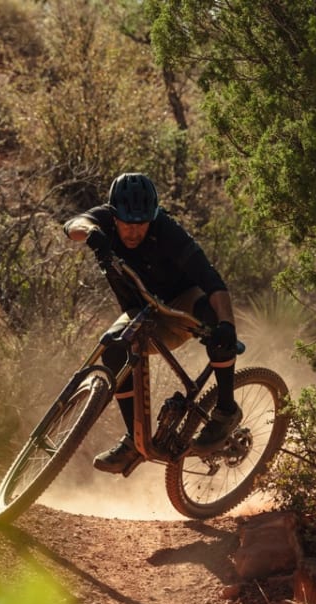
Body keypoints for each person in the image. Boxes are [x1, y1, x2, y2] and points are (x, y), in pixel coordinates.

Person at [63, 172, 241, 474]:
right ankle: (135, 441)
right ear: (114, 215)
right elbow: (72, 226)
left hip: (180, 305)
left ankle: (225, 410)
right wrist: (93, 235)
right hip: (142, 311)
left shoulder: (169, 231)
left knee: (217, 324)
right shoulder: (103, 222)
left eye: (141, 223)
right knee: (114, 350)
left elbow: (212, 282)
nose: (133, 232)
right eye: (126, 224)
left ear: (153, 217)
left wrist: (227, 325)